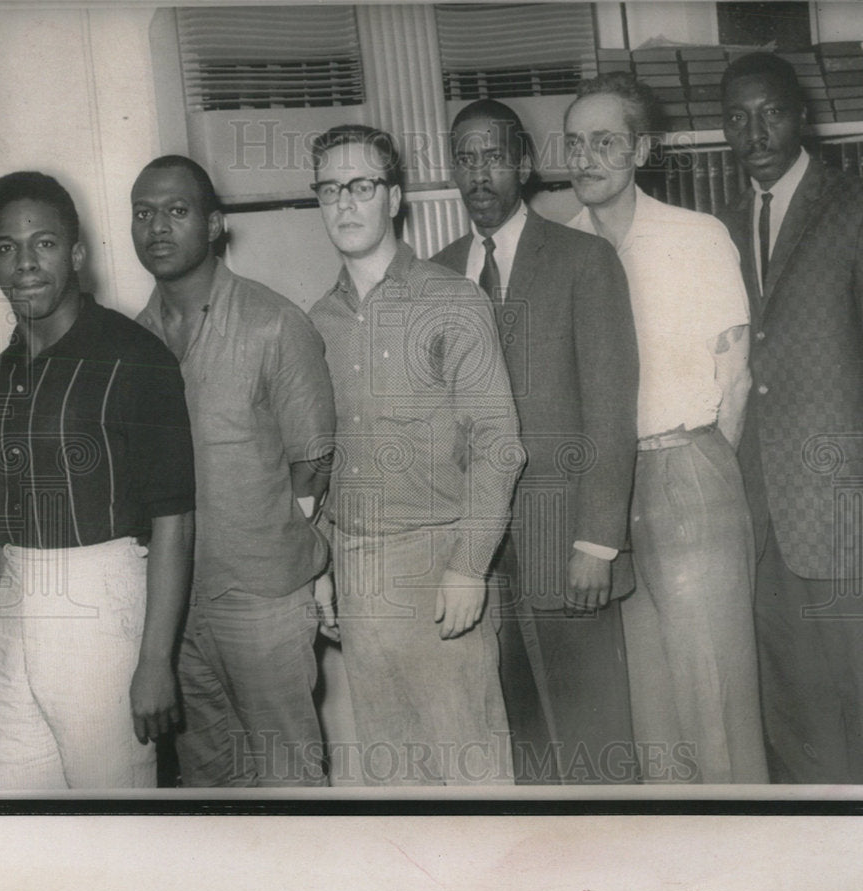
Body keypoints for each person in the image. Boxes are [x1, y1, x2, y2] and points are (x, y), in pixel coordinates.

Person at [719, 52, 863, 784]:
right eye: (737, 116)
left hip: (853, 521)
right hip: (762, 526)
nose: (755, 130)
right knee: (799, 729)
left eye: (770, 111)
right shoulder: (719, 228)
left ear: (800, 115)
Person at [564, 73, 768, 783]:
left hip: (690, 471)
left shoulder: (695, 236)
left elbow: (735, 379)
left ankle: (750, 869)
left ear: (642, 149)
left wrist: (698, 468)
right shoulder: (561, 249)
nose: (587, 158)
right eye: (575, 143)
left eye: (606, 142)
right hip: (609, 491)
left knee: (714, 696)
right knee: (651, 705)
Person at [432, 99, 640, 785]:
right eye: (466, 157)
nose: (480, 171)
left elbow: (611, 407)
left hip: (566, 545)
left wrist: (597, 540)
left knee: (593, 740)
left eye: (494, 155)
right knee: (520, 742)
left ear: (523, 163)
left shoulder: (583, 258)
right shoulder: (433, 275)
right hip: (480, 561)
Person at [308, 124, 522, 785]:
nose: (344, 203)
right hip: (358, 573)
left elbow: (499, 444)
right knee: (395, 781)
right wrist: (321, 566)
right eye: (329, 189)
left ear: (394, 197)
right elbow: (316, 457)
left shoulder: (452, 299)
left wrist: (468, 567)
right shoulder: (314, 322)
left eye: (361, 185)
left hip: (440, 566)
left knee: (472, 774)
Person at [0, 171, 195, 790]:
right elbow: (5, 513)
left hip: (101, 604)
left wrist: (155, 661)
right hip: (18, 610)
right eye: (6, 247)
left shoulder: (136, 357)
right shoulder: (2, 371)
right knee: (12, 804)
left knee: (115, 815)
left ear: (74, 254)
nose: (25, 264)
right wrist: (3, 631)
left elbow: (175, 520)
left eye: (43, 244)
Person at [131, 155, 336, 787]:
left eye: (177, 210)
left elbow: (314, 461)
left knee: (291, 782)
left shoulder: (273, 322)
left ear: (216, 225)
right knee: (211, 787)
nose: (158, 226)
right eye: (143, 213)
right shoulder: (130, 344)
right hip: (176, 606)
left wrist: (275, 552)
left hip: (263, 602)